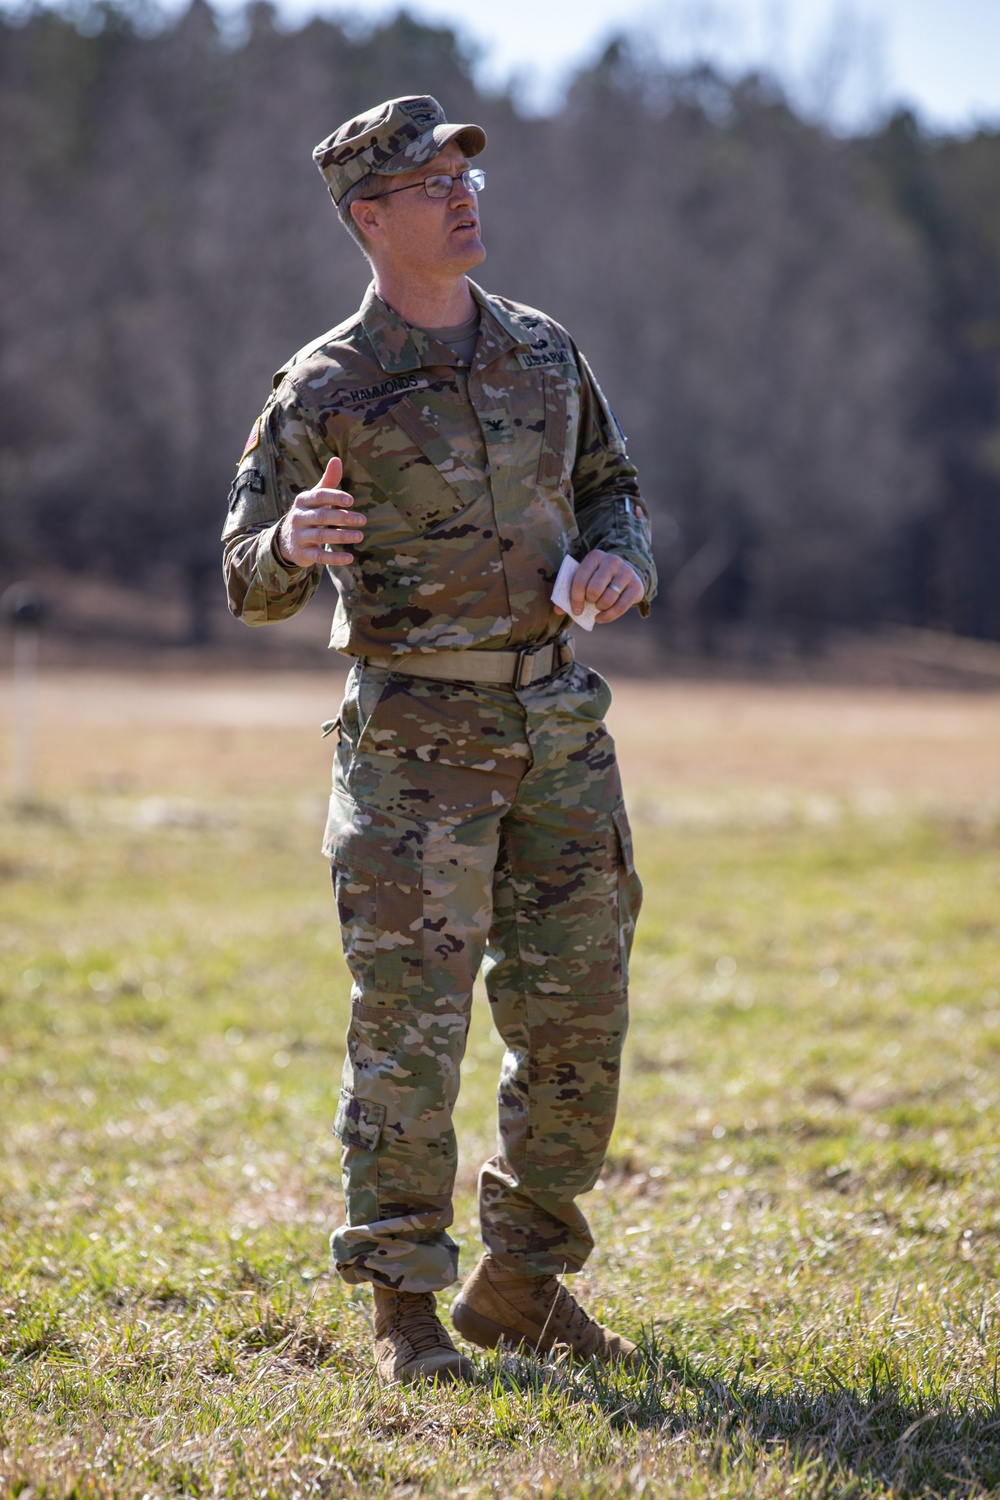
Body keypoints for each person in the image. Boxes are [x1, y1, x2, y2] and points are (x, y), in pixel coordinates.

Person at [223, 95, 657, 1386]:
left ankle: (520, 1282)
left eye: (465, 172)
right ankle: (405, 1309)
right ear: (370, 219)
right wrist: (292, 544)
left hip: (559, 727)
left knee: (580, 1019)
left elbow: (613, 492)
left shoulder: (542, 348)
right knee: (411, 1031)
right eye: (427, 185)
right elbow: (246, 575)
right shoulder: (327, 386)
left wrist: (623, 564)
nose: (463, 194)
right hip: (414, 742)